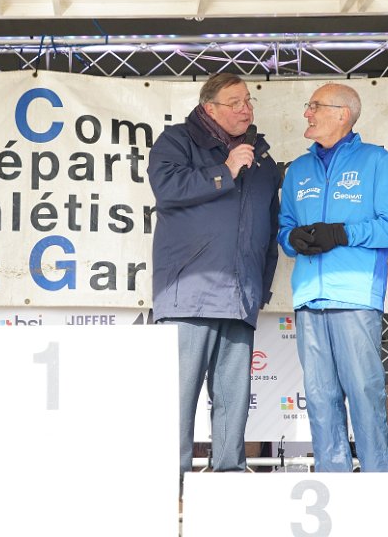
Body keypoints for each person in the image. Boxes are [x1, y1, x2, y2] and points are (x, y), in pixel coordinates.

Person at [147, 73, 282, 481]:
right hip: (189, 293)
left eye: (248, 101)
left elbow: (269, 228)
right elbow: (167, 188)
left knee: (233, 400)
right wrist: (224, 170)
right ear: (210, 108)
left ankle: (229, 480)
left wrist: (261, 285)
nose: (246, 109)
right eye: (235, 102)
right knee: (178, 399)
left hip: (240, 295)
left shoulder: (262, 159)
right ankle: (171, 484)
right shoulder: (177, 140)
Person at [277, 82, 388, 472]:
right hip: (309, 296)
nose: (307, 113)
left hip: (355, 294)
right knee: (319, 395)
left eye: (314, 106)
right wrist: (291, 239)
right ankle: (332, 480)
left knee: (364, 391)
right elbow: (284, 229)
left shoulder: (376, 161)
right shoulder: (298, 169)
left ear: (342, 114)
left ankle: (378, 480)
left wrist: (343, 233)